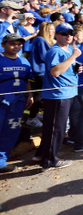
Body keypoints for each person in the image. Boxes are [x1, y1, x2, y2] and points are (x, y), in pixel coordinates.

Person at [33, 22, 82, 171]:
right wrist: (73, 56)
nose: (68, 36)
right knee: (56, 129)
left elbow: (64, 69)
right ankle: (49, 161)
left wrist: (76, 68)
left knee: (53, 128)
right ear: (56, 35)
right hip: (57, 95)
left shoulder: (66, 51)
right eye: (64, 33)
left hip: (65, 94)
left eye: (70, 33)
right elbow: (54, 71)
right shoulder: (55, 51)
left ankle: (41, 154)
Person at [0, 34, 34, 173]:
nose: (16, 47)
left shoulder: (24, 61)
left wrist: (30, 95)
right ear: (3, 45)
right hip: (1, 101)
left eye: (19, 44)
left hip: (18, 100)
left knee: (11, 130)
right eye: (12, 44)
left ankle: (1, 161)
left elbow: (27, 80)